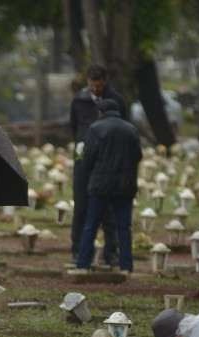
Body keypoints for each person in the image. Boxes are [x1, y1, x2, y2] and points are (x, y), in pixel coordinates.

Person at [69, 65, 126, 266]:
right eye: (92, 85)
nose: (95, 89)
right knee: (81, 206)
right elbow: (74, 127)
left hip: (107, 162)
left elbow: (124, 128)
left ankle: (111, 252)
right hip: (84, 160)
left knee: (109, 208)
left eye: (99, 85)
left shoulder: (116, 101)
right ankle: (78, 250)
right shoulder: (79, 100)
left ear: (105, 81)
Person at [76, 98, 141, 272]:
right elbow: (138, 156)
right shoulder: (131, 129)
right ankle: (126, 265)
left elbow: (87, 158)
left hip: (100, 184)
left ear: (101, 112)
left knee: (91, 224)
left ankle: (83, 263)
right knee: (124, 227)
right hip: (125, 185)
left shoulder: (96, 129)